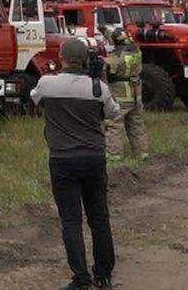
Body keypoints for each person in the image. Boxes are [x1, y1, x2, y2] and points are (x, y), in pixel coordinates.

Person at [31, 38, 121, 289]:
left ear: (61, 57)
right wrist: (99, 78)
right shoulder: (98, 88)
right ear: (85, 60)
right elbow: (114, 113)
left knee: (71, 220)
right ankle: (103, 275)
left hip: (62, 160)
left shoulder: (47, 84)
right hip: (93, 159)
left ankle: (81, 278)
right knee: (99, 218)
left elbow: (35, 99)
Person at [103, 26, 147, 163]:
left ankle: (114, 156)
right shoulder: (136, 50)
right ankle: (142, 153)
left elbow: (109, 71)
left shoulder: (116, 55)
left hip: (121, 93)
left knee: (114, 124)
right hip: (136, 93)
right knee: (136, 124)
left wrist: (103, 60)